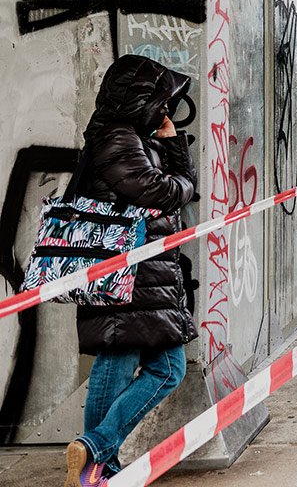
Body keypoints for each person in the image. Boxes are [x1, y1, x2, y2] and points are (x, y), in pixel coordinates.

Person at [64, 55, 197, 486]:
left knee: (166, 369)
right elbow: (162, 193)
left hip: (142, 276)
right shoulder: (116, 140)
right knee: (120, 363)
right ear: (139, 100)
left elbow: (164, 190)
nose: (166, 112)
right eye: (160, 102)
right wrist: (176, 156)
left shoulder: (129, 137)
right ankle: (96, 461)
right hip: (127, 276)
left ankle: (95, 452)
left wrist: (168, 143)